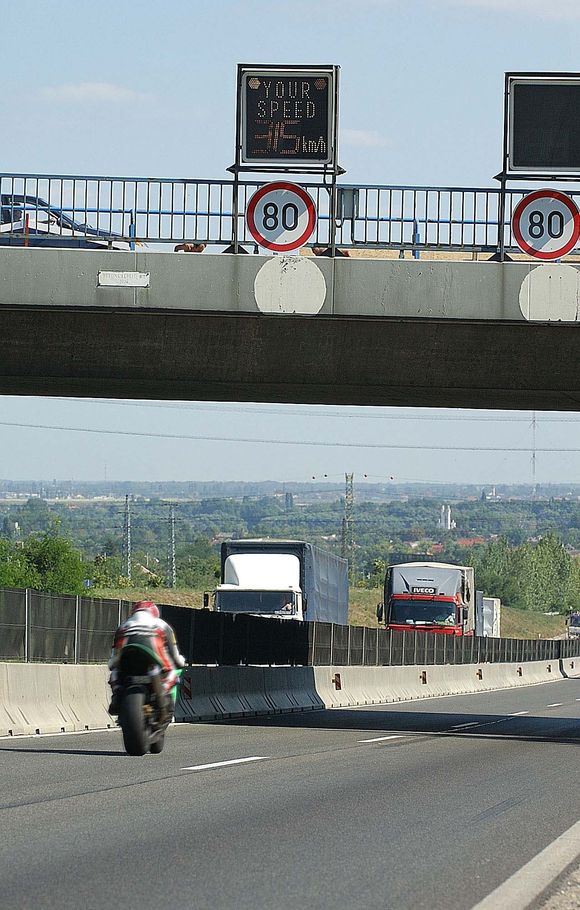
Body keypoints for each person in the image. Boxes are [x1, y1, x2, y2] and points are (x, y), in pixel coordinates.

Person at [108, 600, 186, 719]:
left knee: (115, 672)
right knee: (173, 672)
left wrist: (114, 665)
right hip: (153, 657)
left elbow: (113, 659)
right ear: (154, 612)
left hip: (128, 657)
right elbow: (175, 656)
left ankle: (117, 694)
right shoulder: (162, 624)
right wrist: (181, 662)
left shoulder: (123, 626)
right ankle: (163, 692)